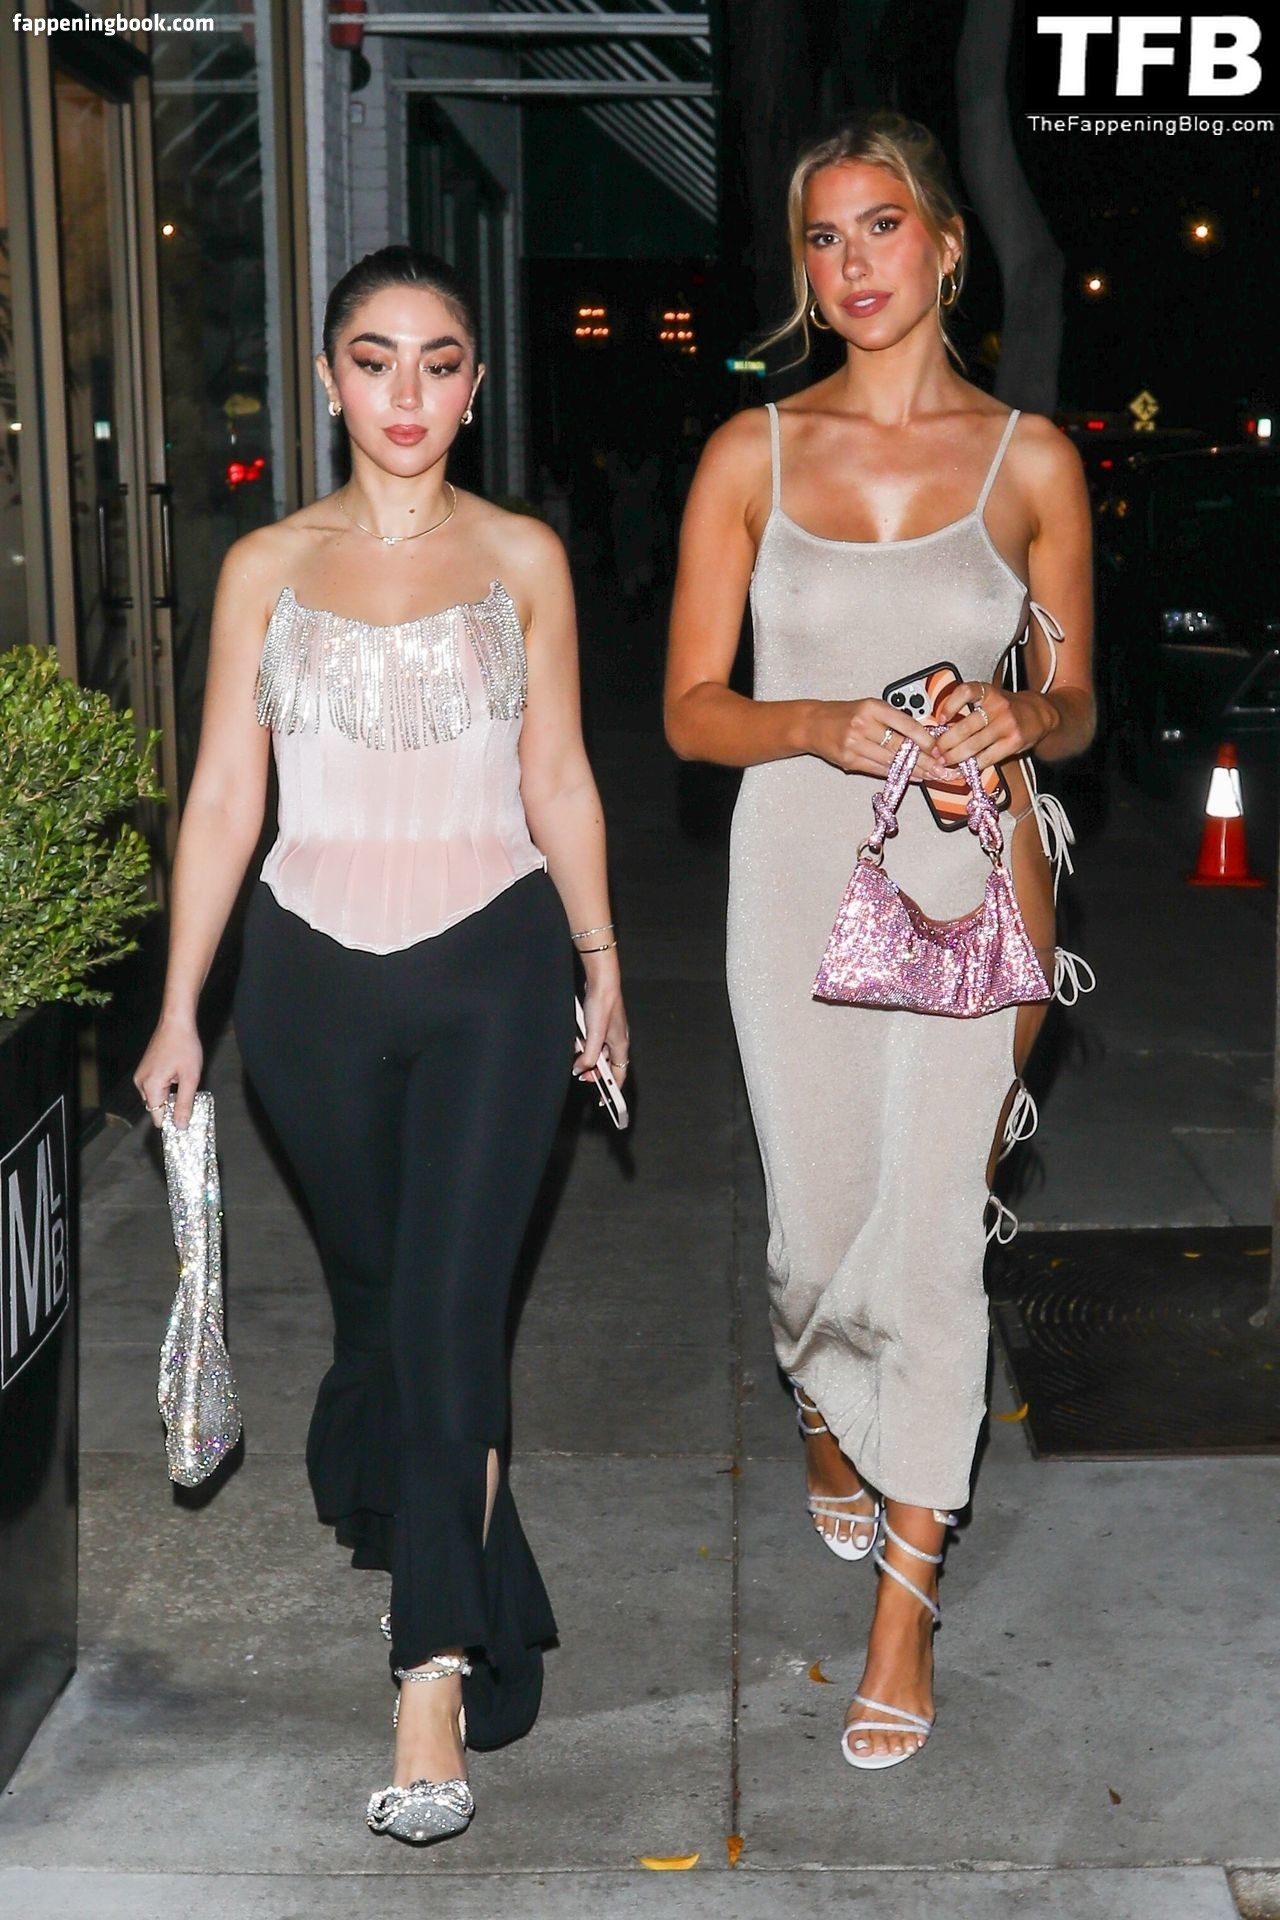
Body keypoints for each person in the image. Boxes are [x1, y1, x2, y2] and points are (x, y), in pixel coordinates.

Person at [134, 246, 629, 1843]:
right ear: (329, 379)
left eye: (439, 361)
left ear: (476, 387)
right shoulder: (264, 565)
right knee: (385, 1324)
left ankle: (429, 1677)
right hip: (307, 989)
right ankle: (475, 1554)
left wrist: (603, 962)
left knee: (447, 1311)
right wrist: (180, 1006)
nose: (406, 392)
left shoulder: (525, 556)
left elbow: (558, 775)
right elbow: (227, 795)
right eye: (374, 358)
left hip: (494, 965)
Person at [665, 113, 1094, 1771]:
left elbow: (1080, 697)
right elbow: (692, 712)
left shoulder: (1030, 460)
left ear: (948, 245)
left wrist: (1026, 714)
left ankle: (905, 1612)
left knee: (926, 1243)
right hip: (795, 865)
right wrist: (819, 720)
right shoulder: (750, 455)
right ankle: (825, 1403)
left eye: (883, 226)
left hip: (978, 874)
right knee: (811, 1241)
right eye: (824, 237)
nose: (853, 263)